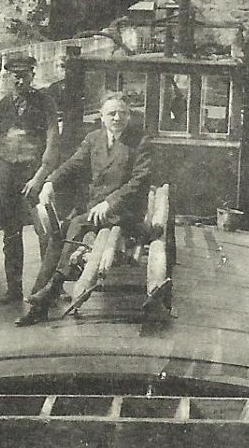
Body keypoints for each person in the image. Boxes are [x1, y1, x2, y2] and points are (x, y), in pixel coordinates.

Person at [18, 92, 152, 324]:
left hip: (126, 212)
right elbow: (72, 164)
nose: (117, 118)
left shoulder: (140, 141)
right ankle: (39, 300)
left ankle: (53, 287)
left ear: (129, 116)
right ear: (102, 116)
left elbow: (139, 181)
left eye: (123, 113)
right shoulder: (93, 139)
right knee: (59, 239)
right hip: (96, 211)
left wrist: (110, 202)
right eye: (112, 113)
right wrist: (50, 182)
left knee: (75, 225)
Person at [0, 54, 60, 305]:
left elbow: (52, 144)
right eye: (14, 76)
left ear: (31, 76)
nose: (19, 80)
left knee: (44, 229)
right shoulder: (0, 106)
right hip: (5, 172)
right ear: (8, 77)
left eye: (24, 75)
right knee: (11, 233)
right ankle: (13, 288)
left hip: (33, 170)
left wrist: (39, 178)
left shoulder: (45, 102)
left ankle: (46, 286)